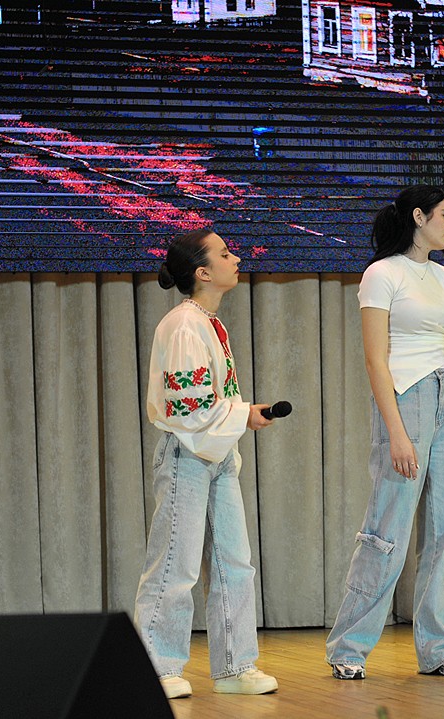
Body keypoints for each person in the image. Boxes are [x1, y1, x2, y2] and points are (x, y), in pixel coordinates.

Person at [326, 185, 444, 680]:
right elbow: (375, 359)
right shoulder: (382, 273)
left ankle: (439, 649)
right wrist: (396, 432)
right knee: (388, 527)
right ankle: (349, 648)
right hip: (407, 397)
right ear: (418, 217)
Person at [133, 228, 279, 699]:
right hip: (187, 454)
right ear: (202, 272)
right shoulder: (183, 325)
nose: (235, 258)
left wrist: (241, 415)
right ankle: (157, 666)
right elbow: (187, 407)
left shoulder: (209, 324)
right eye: (225, 253)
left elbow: (210, 401)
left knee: (234, 562)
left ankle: (235, 665)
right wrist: (243, 414)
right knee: (175, 564)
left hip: (216, 454)